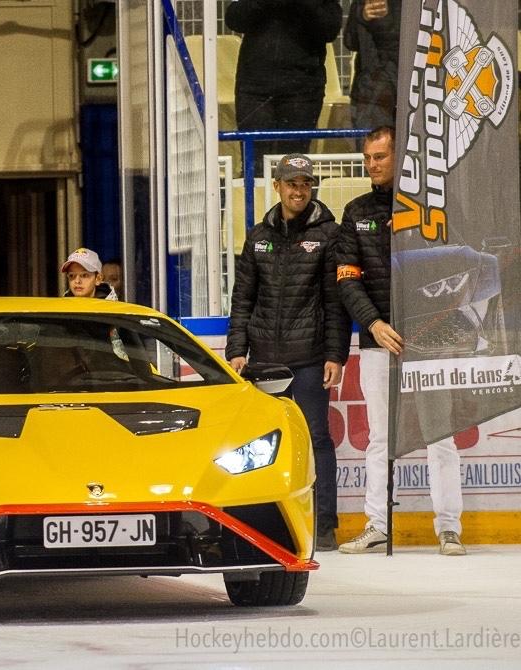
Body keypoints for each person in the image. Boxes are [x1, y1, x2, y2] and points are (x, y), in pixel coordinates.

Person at [335, 126, 465, 556]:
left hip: (431, 339)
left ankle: (449, 529)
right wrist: (373, 324)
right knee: (379, 439)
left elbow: (451, 270)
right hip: (378, 342)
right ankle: (377, 525)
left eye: (379, 157)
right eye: (368, 158)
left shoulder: (430, 205)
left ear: (399, 157)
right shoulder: (354, 212)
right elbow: (347, 280)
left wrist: (432, 322)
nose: (372, 165)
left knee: (439, 436)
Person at [226, 153, 350, 552]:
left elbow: (335, 302)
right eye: (292, 183)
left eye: (306, 184)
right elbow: (242, 297)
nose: (299, 190)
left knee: (317, 439)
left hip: (312, 357)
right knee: (264, 443)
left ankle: (326, 525)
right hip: (264, 361)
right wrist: (236, 349)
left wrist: (336, 355)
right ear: (277, 186)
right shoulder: (257, 235)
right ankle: (262, 521)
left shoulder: (329, 235)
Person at [225, 0, 343, 169]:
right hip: (254, 88)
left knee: (293, 167)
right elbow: (234, 19)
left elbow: (330, 28)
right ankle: (256, 196)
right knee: (255, 165)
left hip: (302, 90)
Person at [344, 0, 400, 131]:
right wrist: (362, 17)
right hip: (371, 92)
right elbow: (350, 41)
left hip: (411, 88)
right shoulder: (364, 4)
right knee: (371, 148)